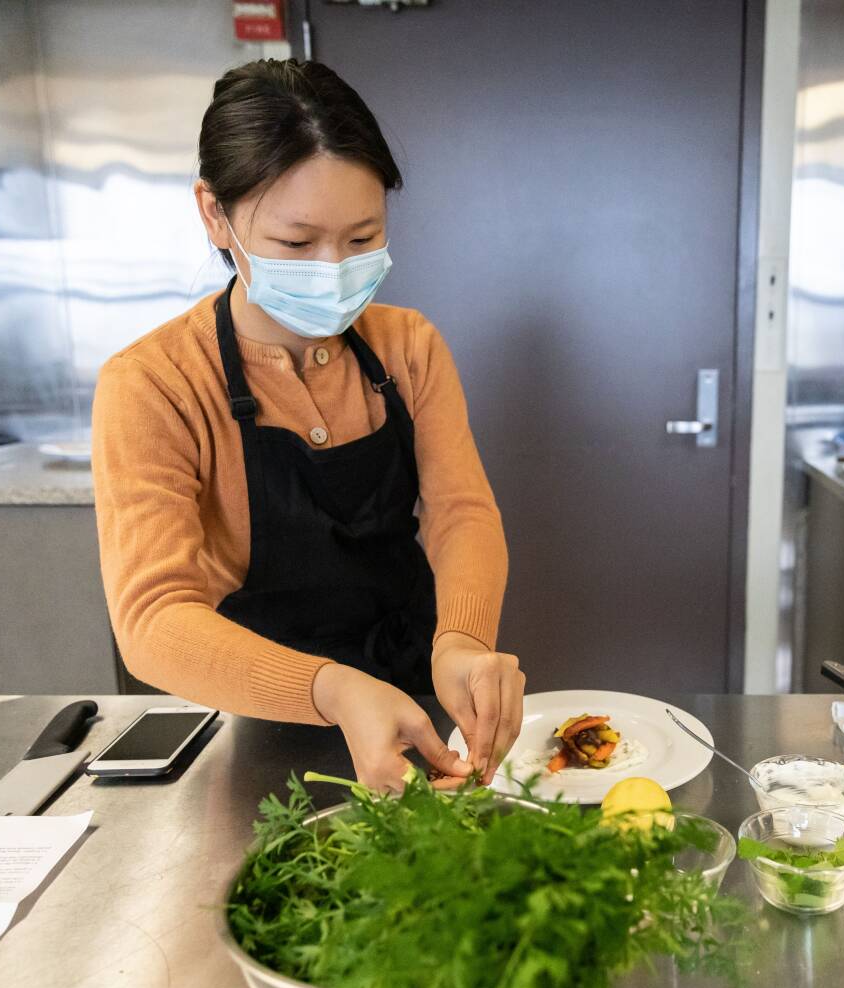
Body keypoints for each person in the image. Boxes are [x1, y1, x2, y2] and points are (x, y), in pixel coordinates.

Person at [92, 59, 523, 790]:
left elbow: (461, 511)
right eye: (297, 244)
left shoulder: (408, 346)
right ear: (213, 213)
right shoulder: (153, 383)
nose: (334, 269)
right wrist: (331, 689)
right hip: (254, 722)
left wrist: (461, 642)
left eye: (362, 239)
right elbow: (153, 618)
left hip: (415, 699)